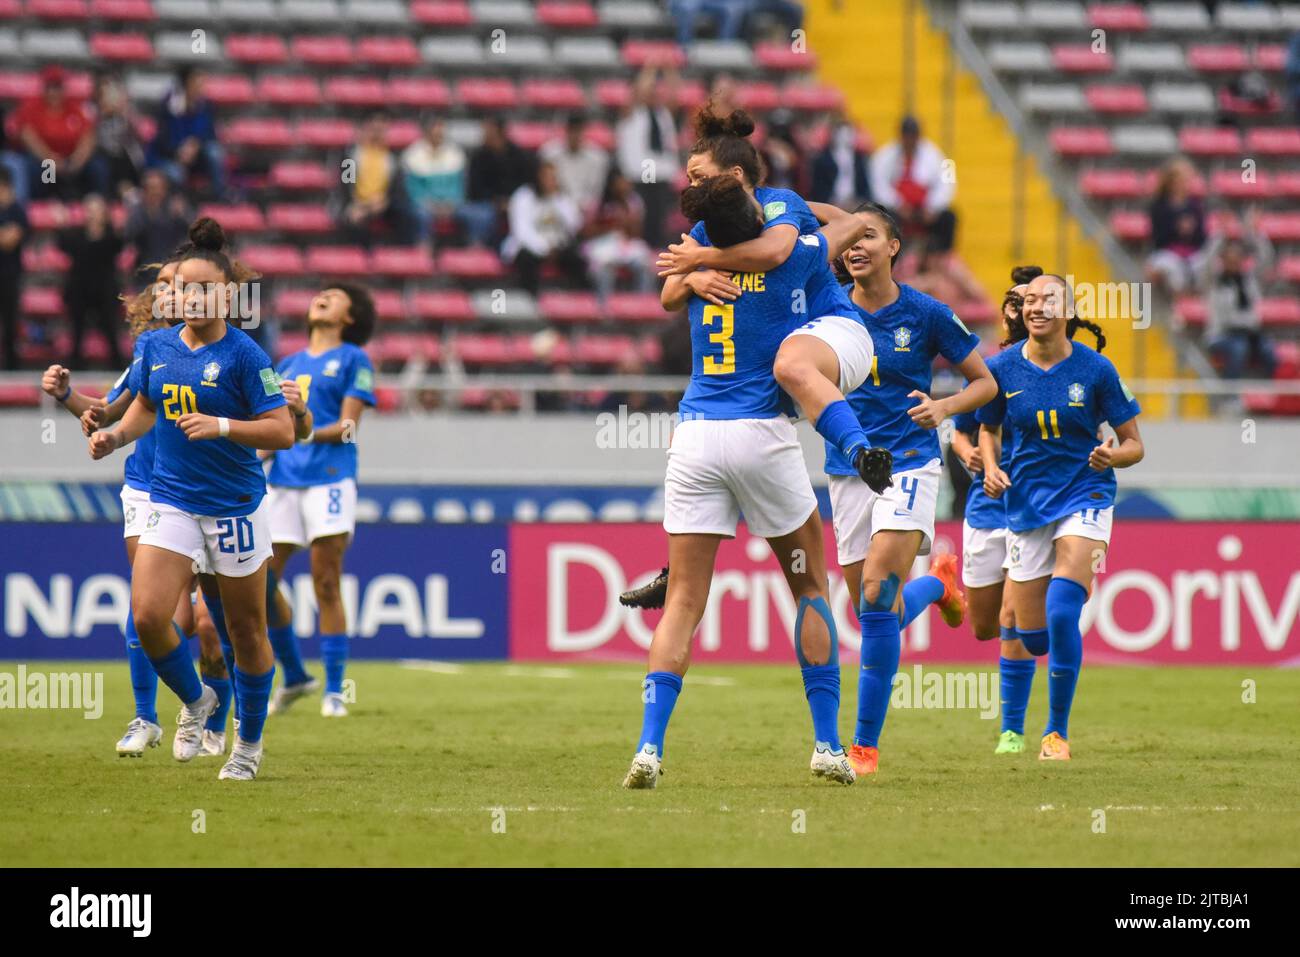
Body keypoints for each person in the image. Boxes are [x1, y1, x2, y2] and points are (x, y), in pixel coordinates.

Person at [622, 173, 881, 790]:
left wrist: (691, 267)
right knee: (809, 587)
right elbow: (846, 225)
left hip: (694, 435)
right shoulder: (792, 255)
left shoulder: (693, 265)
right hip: (761, 434)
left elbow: (666, 294)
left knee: (683, 599)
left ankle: (649, 751)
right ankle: (825, 745)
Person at [88, 217, 295, 780]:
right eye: (183, 288)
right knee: (151, 616)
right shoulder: (155, 344)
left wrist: (223, 426)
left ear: (227, 295)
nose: (191, 297)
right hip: (172, 500)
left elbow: (283, 431)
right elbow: (146, 409)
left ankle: (247, 746)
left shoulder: (248, 357)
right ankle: (200, 702)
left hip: (234, 508)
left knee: (244, 632)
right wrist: (113, 436)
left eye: (204, 289)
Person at [43, 248, 234, 756]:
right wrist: (67, 398)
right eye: (167, 285)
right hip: (149, 488)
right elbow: (110, 413)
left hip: (211, 494)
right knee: (148, 606)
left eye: (184, 284)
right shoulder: (151, 350)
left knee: (209, 621)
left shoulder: (228, 351)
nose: (174, 293)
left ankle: (218, 721)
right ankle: (147, 716)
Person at [831, 202, 996, 776]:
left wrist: (944, 408)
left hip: (908, 462)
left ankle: (864, 747)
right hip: (846, 467)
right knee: (876, 610)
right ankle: (940, 584)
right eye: (849, 237)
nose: (855, 246)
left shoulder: (926, 313)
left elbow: (985, 380)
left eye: (868, 236)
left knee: (876, 595)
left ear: (894, 247)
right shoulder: (827, 312)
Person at [978, 274, 1144, 761]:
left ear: (1068, 310)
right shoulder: (1001, 369)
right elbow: (987, 429)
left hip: (1086, 494)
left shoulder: (1096, 370)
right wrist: (990, 467)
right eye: (1029, 300)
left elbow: (1134, 444)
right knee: (1030, 636)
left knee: (1062, 609)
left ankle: (1056, 733)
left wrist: (1114, 457)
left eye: (1048, 299)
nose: (1037, 307)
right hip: (1027, 504)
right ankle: (1014, 726)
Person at [264, 283, 377, 718]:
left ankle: (334, 691)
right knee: (261, 582)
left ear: (350, 317)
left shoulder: (354, 359)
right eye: (321, 292)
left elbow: (349, 427)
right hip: (285, 481)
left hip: (330, 479)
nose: (323, 296)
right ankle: (294, 673)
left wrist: (306, 432)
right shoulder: (286, 364)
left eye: (336, 295)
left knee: (325, 581)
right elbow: (271, 429)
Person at [949, 264, 1038, 753]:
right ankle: (946, 591)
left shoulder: (1074, 366)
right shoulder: (991, 368)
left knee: (1012, 617)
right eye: (1017, 302)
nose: (1025, 310)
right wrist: (973, 457)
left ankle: (1012, 729)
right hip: (986, 508)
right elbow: (960, 431)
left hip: (1035, 510)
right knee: (983, 625)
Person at [1194, 209, 1276, 380]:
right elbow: (1206, 260)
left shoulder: (1250, 280)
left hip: (1250, 334)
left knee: (1269, 351)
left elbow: (1266, 259)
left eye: (1237, 257)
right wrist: (1220, 235)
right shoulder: (1214, 281)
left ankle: (1268, 393)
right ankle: (1229, 394)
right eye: (1229, 257)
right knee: (1239, 348)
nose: (1234, 261)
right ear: (1222, 259)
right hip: (1221, 335)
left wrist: (1255, 233)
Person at [55, 193, 126, 369]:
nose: (93, 214)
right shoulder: (76, 235)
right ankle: (76, 366)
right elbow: (63, 245)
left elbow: (119, 246)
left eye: (97, 210)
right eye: (90, 210)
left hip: (105, 288)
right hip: (79, 287)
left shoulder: (112, 236)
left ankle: (117, 366)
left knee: (110, 328)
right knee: (77, 329)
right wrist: (62, 225)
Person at [869, 116, 957, 253]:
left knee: (949, 218)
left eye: (913, 136)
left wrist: (932, 207)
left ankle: (941, 255)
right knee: (884, 218)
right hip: (899, 210)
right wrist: (898, 205)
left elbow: (947, 183)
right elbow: (878, 184)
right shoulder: (884, 155)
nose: (910, 141)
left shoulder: (934, 153)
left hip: (925, 209)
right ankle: (894, 253)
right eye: (907, 136)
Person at [616, 64, 681, 249]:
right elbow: (638, 93)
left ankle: (656, 251)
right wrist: (650, 69)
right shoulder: (633, 113)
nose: (654, 95)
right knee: (643, 215)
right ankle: (643, 249)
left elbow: (675, 95)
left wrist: (669, 68)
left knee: (660, 219)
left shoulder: (663, 114)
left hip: (661, 171)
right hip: (642, 171)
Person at [12, 65, 101, 200]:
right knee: (43, 169)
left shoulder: (75, 108)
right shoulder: (32, 108)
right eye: (50, 87)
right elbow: (28, 137)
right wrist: (50, 158)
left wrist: (78, 159)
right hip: (44, 159)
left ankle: (95, 201)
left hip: (72, 159)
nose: (54, 92)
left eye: (57, 87)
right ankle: (47, 201)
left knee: (97, 166)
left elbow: (88, 135)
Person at [502, 161, 588, 295]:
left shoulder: (562, 198)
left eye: (554, 177)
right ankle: (530, 299)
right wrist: (546, 248)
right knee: (527, 260)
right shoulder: (523, 197)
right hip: (530, 246)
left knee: (577, 259)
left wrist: (559, 201)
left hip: (557, 246)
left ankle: (580, 299)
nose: (551, 181)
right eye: (547, 177)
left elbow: (574, 226)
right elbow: (521, 231)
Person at [337, 113, 417, 247]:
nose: (377, 134)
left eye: (382, 130)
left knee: (407, 215)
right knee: (354, 221)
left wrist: (384, 201)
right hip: (358, 203)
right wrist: (357, 205)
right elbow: (346, 184)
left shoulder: (392, 158)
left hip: (383, 204)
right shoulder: (350, 156)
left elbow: (397, 187)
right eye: (374, 130)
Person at [149, 67, 224, 199]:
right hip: (172, 156)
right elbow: (162, 140)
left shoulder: (206, 106)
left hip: (198, 156)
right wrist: (179, 150)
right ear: (187, 83)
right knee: (176, 173)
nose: (201, 87)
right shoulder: (169, 107)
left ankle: (218, 195)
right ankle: (182, 203)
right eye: (197, 83)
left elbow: (210, 134)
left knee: (215, 152)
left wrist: (196, 144)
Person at [582, 171, 656, 304]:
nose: (623, 187)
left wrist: (626, 217)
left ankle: (643, 307)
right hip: (602, 246)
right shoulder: (597, 203)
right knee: (603, 270)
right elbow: (585, 232)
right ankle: (603, 308)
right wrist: (609, 226)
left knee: (644, 267)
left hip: (625, 246)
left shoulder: (633, 202)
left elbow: (637, 233)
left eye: (625, 183)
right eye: (619, 184)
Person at [459, 117, 533, 248]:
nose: (484, 135)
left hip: (515, 201)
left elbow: (525, 184)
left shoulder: (519, 155)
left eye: (488, 131)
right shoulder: (479, 156)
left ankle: (523, 246)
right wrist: (496, 201)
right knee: (480, 214)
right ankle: (480, 249)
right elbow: (474, 188)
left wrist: (512, 201)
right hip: (487, 203)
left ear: (500, 133)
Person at [1144, 157, 1207, 297]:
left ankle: (1197, 301)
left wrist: (1191, 231)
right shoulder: (1159, 206)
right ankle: (1179, 300)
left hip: (1191, 253)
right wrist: (1176, 228)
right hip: (1167, 252)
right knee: (1173, 268)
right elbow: (1157, 239)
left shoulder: (1195, 206)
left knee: (1204, 265)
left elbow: (1202, 238)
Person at [401, 116, 466, 244]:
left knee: (480, 215)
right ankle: (423, 249)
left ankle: (475, 252)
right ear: (426, 132)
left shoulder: (455, 153)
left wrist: (450, 204)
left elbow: (458, 186)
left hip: (450, 205)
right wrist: (431, 205)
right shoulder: (412, 155)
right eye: (435, 131)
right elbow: (412, 190)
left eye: (441, 131)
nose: (439, 134)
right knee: (421, 216)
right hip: (424, 205)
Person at [539, 113, 610, 221]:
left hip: (587, 213)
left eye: (578, 130)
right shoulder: (549, 154)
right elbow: (546, 188)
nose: (575, 135)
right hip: (556, 209)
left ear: (583, 131)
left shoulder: (598, 157)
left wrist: (584, 208)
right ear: (566, 131)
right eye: (572, 130)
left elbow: (597, 192)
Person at [125, 168, 190, 275]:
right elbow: (129, 236)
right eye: (151, 188)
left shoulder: (174, 210)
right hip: (145, 272)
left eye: (159, 188)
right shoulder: (138, 212)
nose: (156, 192)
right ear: (144, 191)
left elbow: (190, 232)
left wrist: (182, 216)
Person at [91, 73, 145, 198]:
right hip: (102, 156)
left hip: (123, 159)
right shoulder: (92, 111)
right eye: (105, 92)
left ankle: (130, 193)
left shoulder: (124, 112)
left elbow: (136, 135)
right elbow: (95, 140)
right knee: (102, 165)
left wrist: (123, 112)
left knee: (129, 158)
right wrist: (103, 113)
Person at [811, 120, 871, 210]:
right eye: (841, 134)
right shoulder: (822, 159)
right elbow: (818, 187)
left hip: (854, 202)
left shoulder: (858, 159)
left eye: (849, 133)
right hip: (830, 204)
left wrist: (859, 201)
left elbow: (864, 185)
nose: (845, 138)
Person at [0, 169, 25, 370]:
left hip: (10, 274)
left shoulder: (17, 209)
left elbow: (12, 240)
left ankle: (12, 365)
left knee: (10, 321)